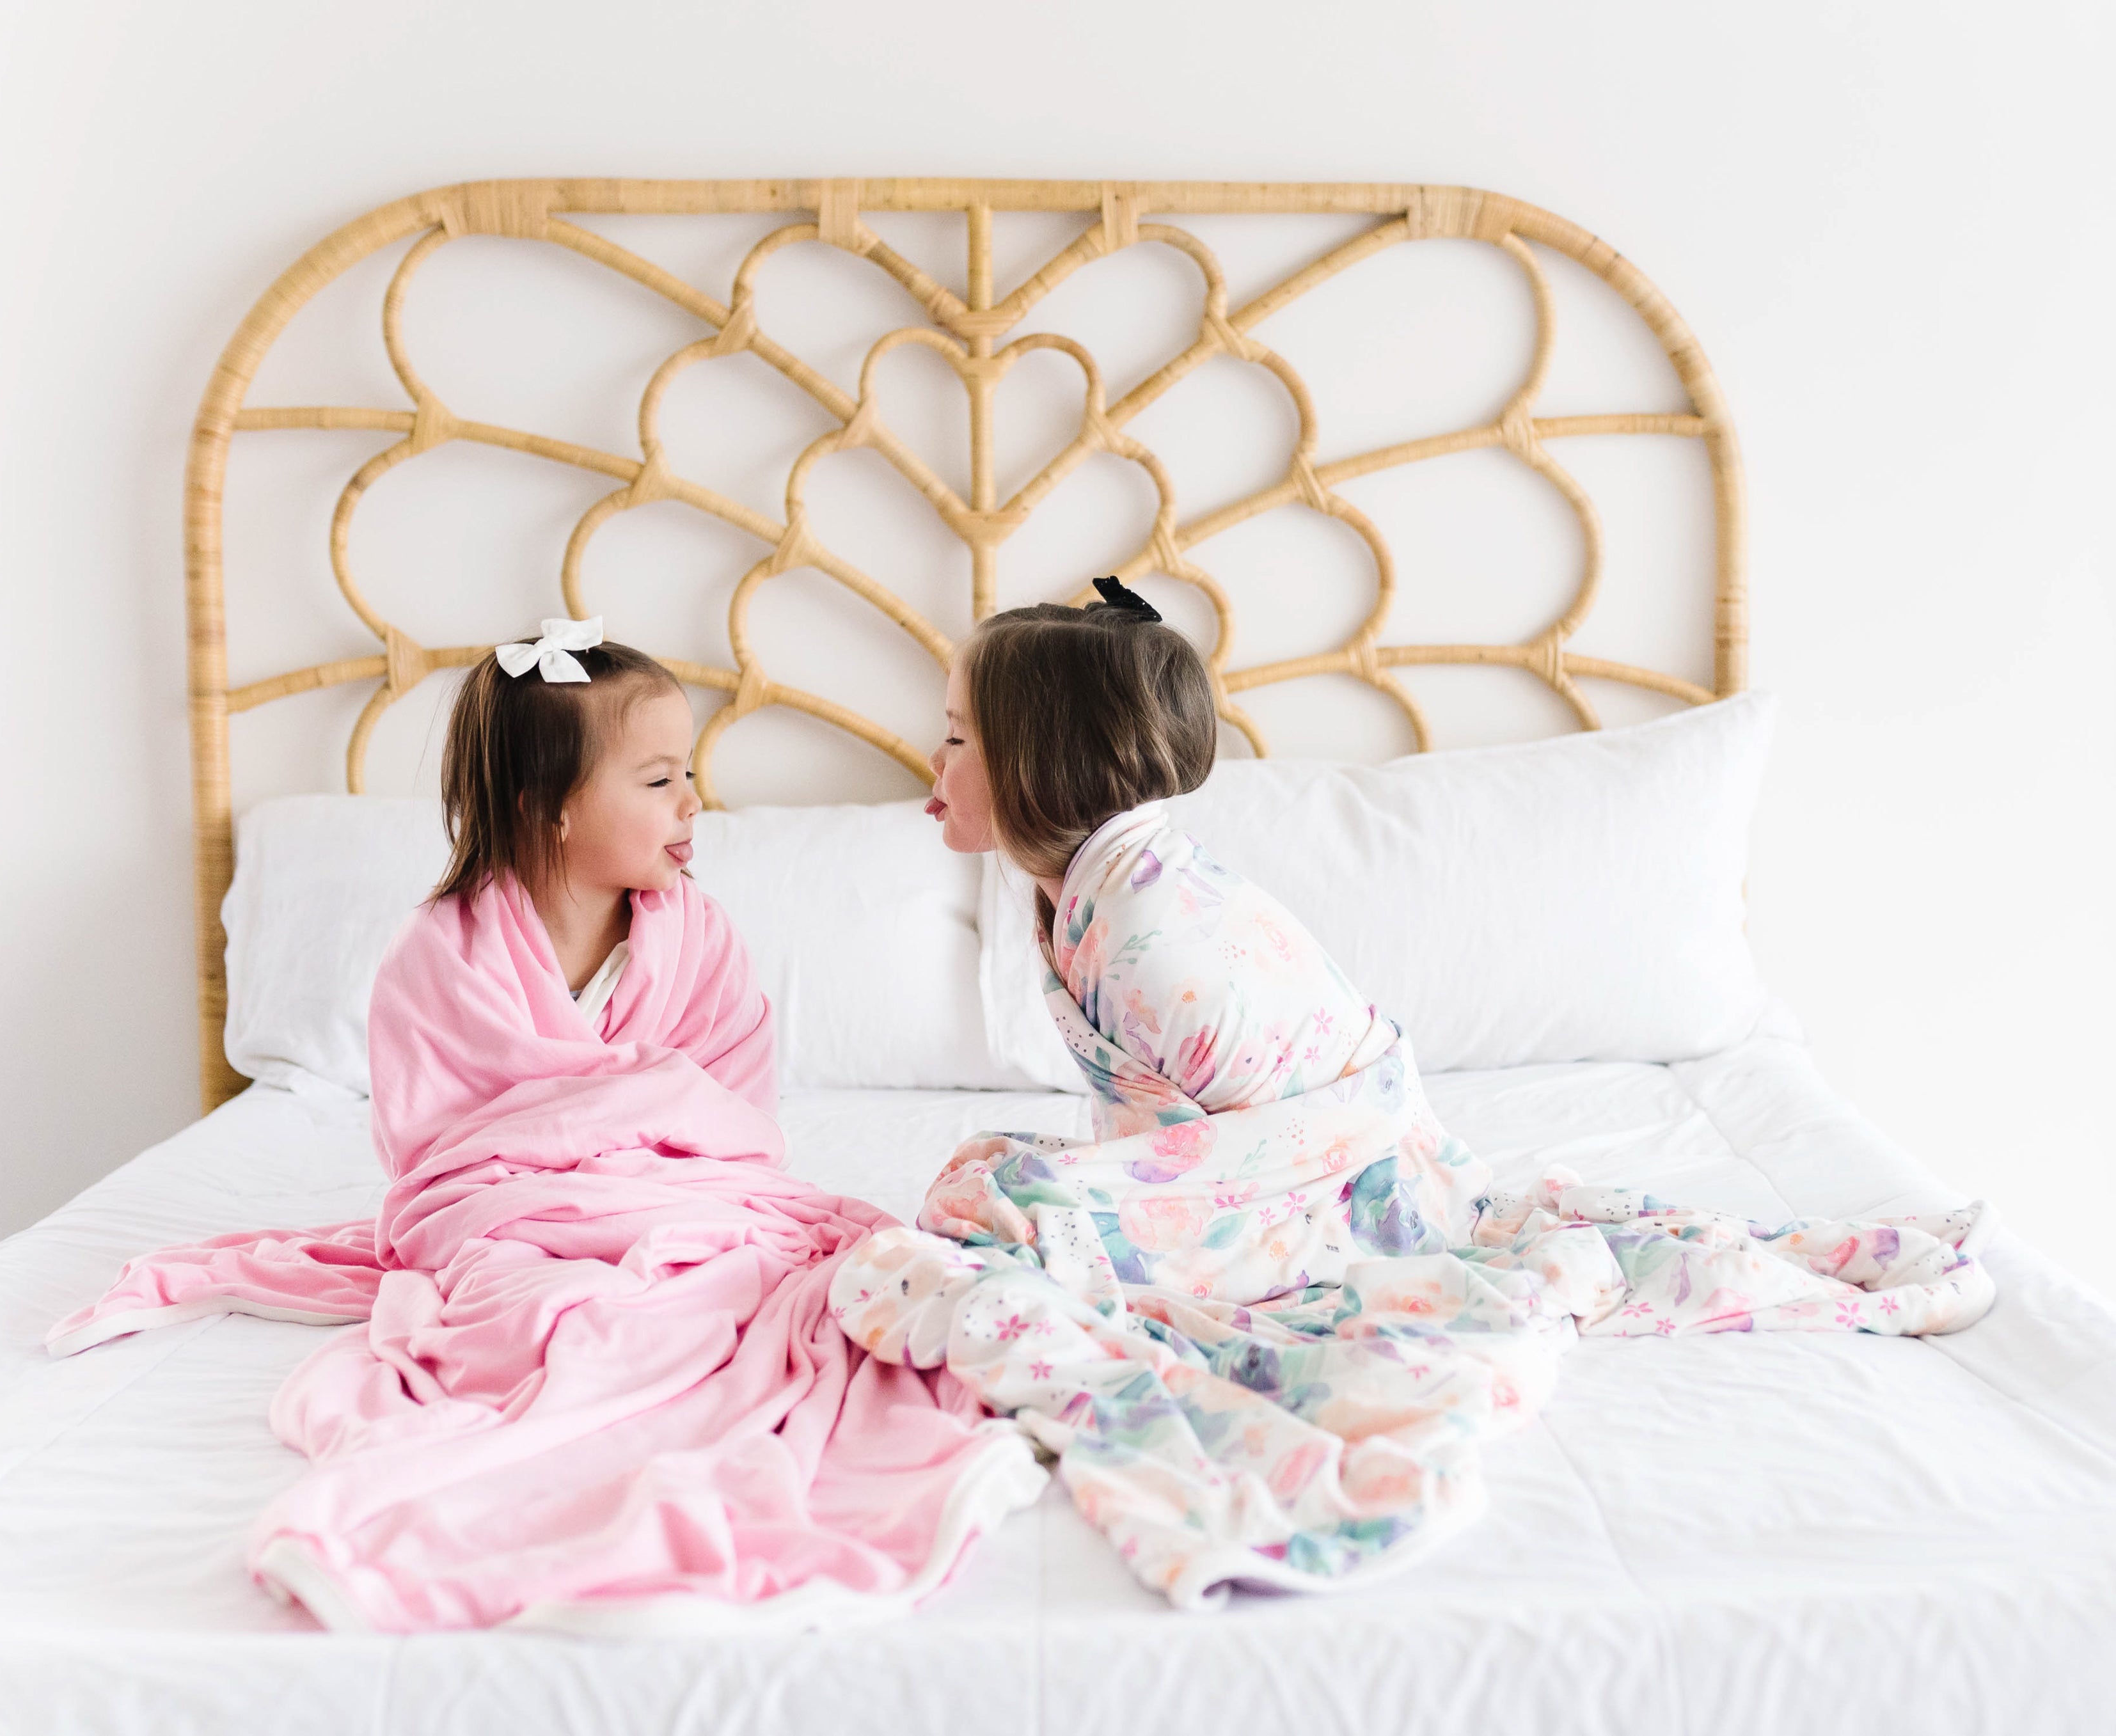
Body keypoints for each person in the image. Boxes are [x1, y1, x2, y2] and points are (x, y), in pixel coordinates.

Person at [835, 579, 1995, 1608]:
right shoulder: (1090, 885)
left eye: (957, 738)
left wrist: (1083, 1213)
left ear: (1039, 760)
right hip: (1264, 1151)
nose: (933, 764)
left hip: (1350, 1174)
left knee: (1002, 1214)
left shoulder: (1154, 934)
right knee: (1005, 1204)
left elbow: (1270, 1147)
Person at [49, 617, 1043, 1632]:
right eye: (657, 780)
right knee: (541, 1315)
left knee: (758, 1290)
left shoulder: (698, 937)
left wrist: (631, 1151)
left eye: (688, 773)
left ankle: (698, 1483)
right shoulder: (441, 955)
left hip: (688, 1197)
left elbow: (738, 1119)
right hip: (503, 1212)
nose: (693, 802)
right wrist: (598, 1146)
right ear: (547, 805)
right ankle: (501, 1509)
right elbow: (436, 1151)